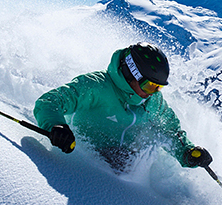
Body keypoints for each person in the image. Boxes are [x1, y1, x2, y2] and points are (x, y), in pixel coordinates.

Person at [33, 42, 212, 171]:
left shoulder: (153, 101)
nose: (154, 92)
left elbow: (170, 130)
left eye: (159, 87)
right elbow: (50, 101)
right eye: (150, 85)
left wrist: (187, 151)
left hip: (125, 167)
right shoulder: (96, 86)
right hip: (86, 162)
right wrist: (57, 125)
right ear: (130, 73)